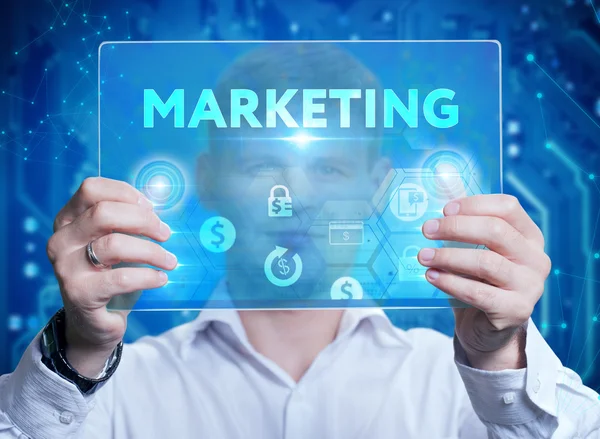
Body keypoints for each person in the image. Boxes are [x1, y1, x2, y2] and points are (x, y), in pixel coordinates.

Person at [1, 43, 600, 439]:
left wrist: (498, 356)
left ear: (378, 188)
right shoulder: (110, 390)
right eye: (262, 165)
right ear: (209, 182)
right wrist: (78, 352)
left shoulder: (453, 384)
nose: (296, 196)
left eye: (331, 169)